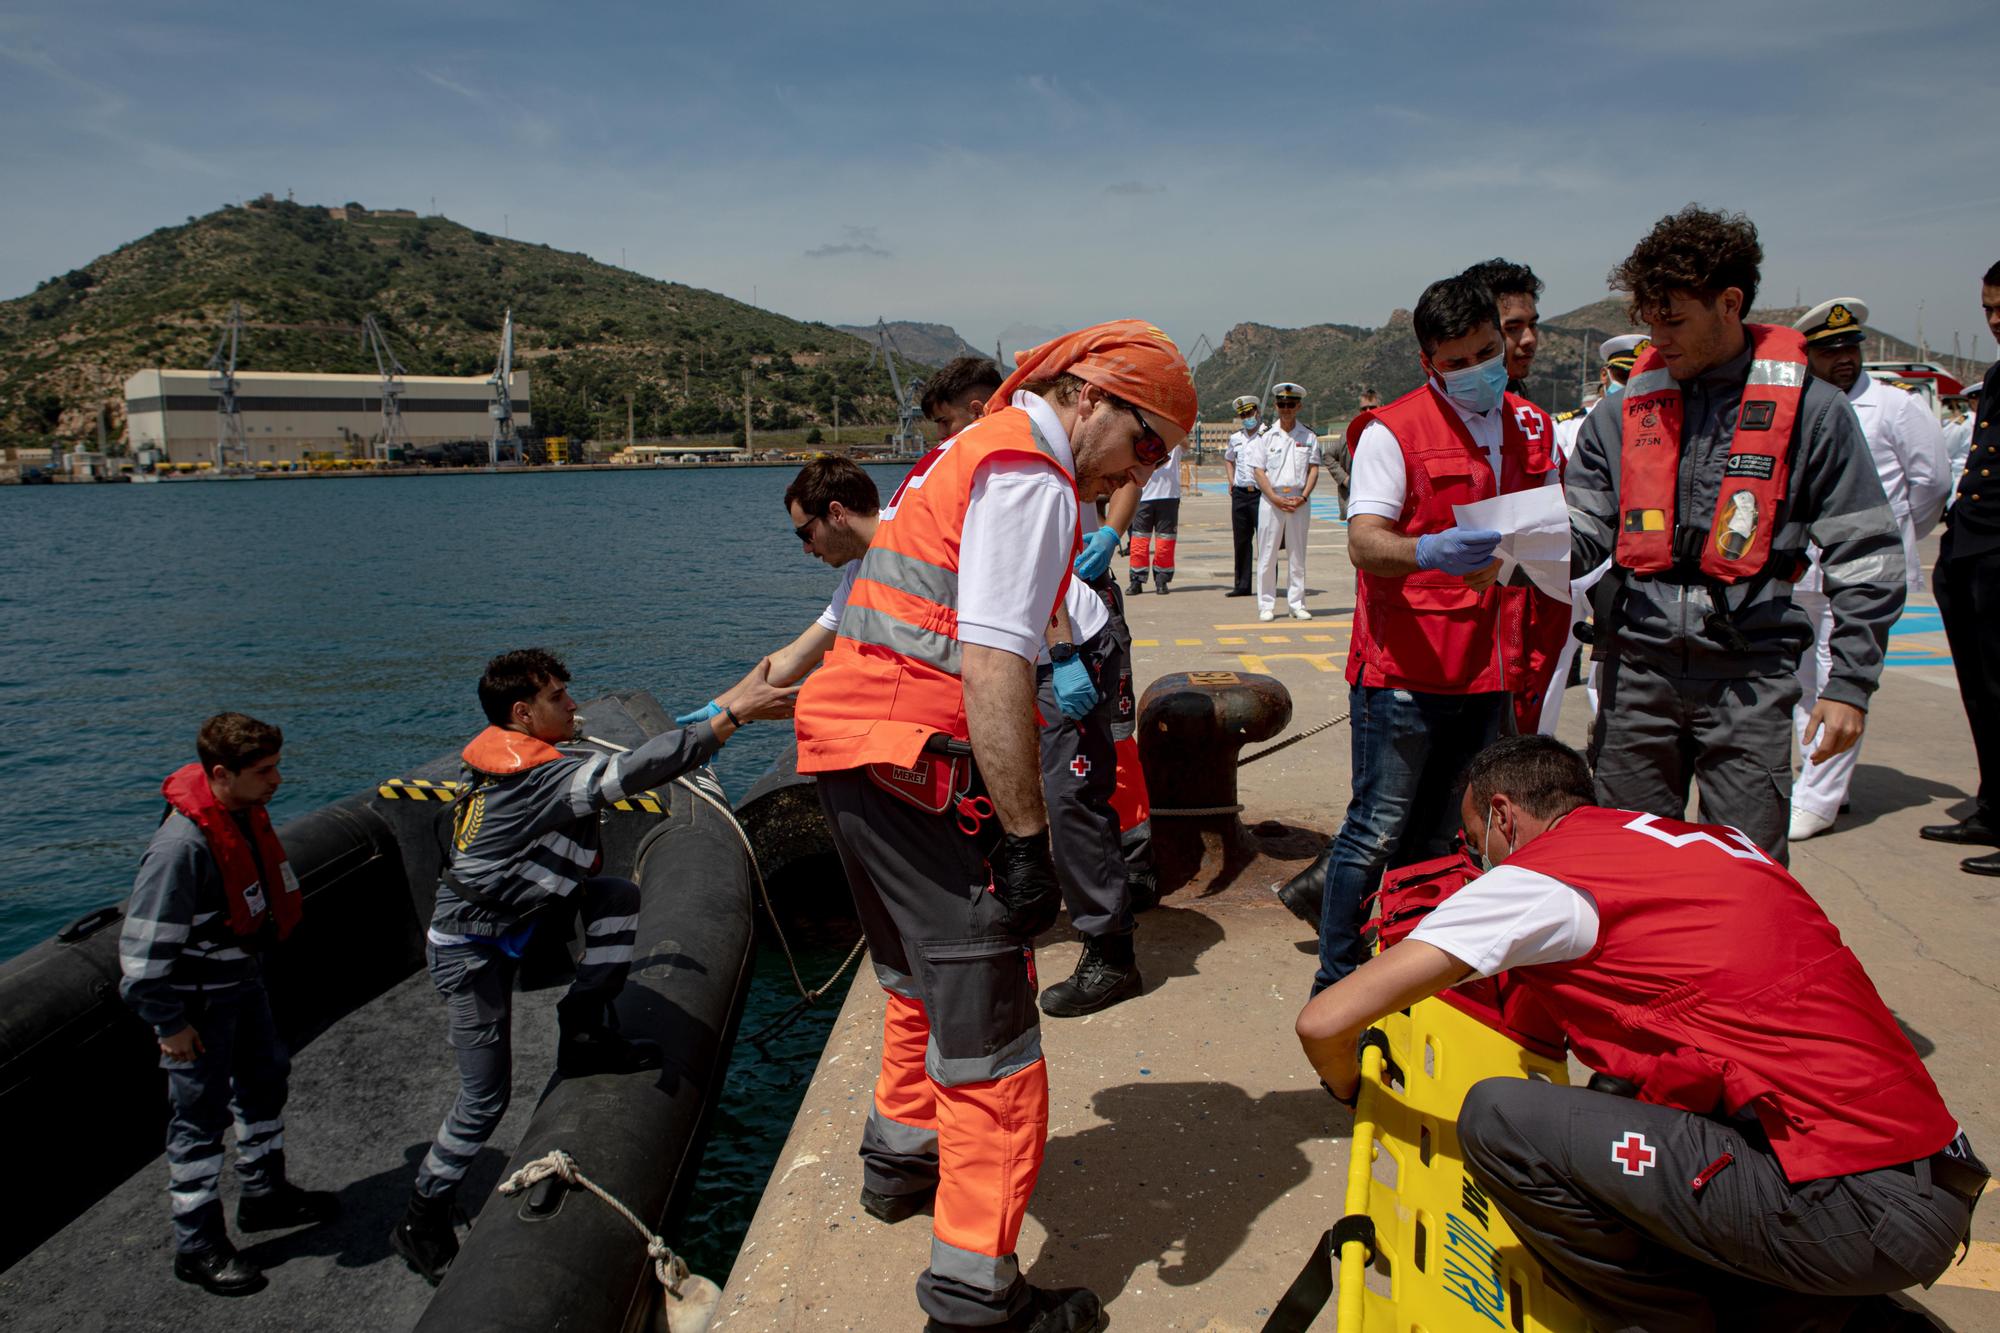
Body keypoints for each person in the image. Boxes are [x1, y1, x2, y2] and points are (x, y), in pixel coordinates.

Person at [1295, 735, 1985, 1333]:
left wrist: (1351, 1083)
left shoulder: (1539, 877)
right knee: (1617, 1108)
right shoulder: (1713, 844)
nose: (1475, 858)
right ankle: (1809, 1309)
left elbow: (1325, 1020)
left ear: (1502, 813)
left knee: (1502, 1118)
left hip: (1860, 1205)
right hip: (1926, 1170)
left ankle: (1669, 1320)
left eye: (1472, 837)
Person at [793, 320, 1194, 1333]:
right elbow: (992, 664)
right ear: (1092, 398)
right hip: (914, 764)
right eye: (1144, 445)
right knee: (994, 1039)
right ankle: (977, 1298)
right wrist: (1023, 840)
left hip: (848, 755)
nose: (1138, 470)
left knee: (908, 981)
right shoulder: (1024, 473)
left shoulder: (958, 453)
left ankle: (898, 1162)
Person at [391, 649, 794, 1285]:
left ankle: (583, 1030)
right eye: (557, 697)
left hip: (522, 920)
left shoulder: (540, 757)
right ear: (522, 713)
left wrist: (734, 701)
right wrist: (737, 718)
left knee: (616, 899)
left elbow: (662, 741)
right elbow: (636, 773)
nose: (573, 704)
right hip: (470, 948)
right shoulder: (536, 780)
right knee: (483, 1097)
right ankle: (422, 1214)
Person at [1565, 206, 1905, 863]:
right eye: (1649, 320)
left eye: (1675, 320)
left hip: (1750, 678)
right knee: (1625, 867)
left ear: (1729, 303)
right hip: (1637, 674)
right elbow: (1578, 530)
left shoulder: (1815, 413)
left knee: (1743, 874)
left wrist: (1850, 684)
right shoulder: (1618, 416)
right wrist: (1506, 553)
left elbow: (1866, 556)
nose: (1658, 339)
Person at [1272, 275, 1559, 992]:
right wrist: (1426, 551)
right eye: (1455, 361)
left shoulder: (1531, 426)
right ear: (1428, 361)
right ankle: (1338, 978)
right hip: (1404, 672)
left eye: (1487, 351)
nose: (1476, 370)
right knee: (1374, 832)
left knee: (1450, 837)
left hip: (1491, 669)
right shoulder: (1395, 431)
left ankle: (1410, 964)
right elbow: (1366, 541)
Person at [119, 713, 338, 1296]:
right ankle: (197, 1245)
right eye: (264, 771)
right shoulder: (180, 850)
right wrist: (172, 1025)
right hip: (198, 1007)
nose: (277, 780)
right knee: (198, 1123)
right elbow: (140, 963)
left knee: (265, 1082)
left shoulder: (240, 817)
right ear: (221, 774)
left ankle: (264, 1194)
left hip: (242, 984)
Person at [1788, 299, 1952, 841]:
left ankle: (1818, 798)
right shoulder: (1799, 404)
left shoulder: (1895, 408)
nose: (1844, 360)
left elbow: (1929, 486)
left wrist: (1900, 536)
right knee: (1800, 680)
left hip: (1858, 573)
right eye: (1830, 351)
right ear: (1807, 355)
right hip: (1803, 568)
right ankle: (1821, 774)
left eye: (1850, 348)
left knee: (1843, 677)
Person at [677, 455, 884, 727]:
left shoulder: (916, 539)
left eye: (805, 534)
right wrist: (720, 710)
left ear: (836, 513)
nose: (806, 549)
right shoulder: (859, 569)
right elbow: (795, 656)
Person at [1925, 262, 2000, 875]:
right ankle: (1995, 806)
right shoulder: (1997, 377)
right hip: (1972, 554)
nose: (1995, 321)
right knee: (1982, 690)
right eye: (1987, 311)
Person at [1252, 382, 1321, 621]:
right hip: (1272, 500)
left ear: (1299, 406)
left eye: (1290, 404)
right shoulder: (1265, 436)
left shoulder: (1309, 436)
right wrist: (1274, 497)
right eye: (1282, 404)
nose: (1286, 408)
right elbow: (1258, 471)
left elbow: (1313, 469)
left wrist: (1303, 497)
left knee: (1297, 554)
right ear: (1275, 405)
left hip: (1298, 500)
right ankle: (1266, 605)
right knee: (1267, 554)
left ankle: (1297, 603)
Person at [1461, 257, 1543, 395]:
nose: (1530, 339)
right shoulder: (1449, 406)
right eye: (1512, 328)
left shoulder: (1516, 393)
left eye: (1533, 324)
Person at [1127, 439, 1183, 595]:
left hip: (1169, 497)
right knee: (1139, 541)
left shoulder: (1175, 443)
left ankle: (1162, 579)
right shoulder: (1142, 439)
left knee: (1165, 542)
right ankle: (1136, 579)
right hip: (1144, 497)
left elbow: (1186, 443)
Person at [1223, 394, 1264, 596]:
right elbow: (1229, 459)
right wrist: (1231, 481)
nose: (1247, 417)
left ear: (1258, 412)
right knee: (1241, 541)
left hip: (1261, 494)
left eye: (1249, 413)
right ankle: (1242, 585)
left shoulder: (1268, 435)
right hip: (1240, 494)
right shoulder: (1236, 438)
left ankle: (1267, 585)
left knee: (1266, 542)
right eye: (1243, 415)